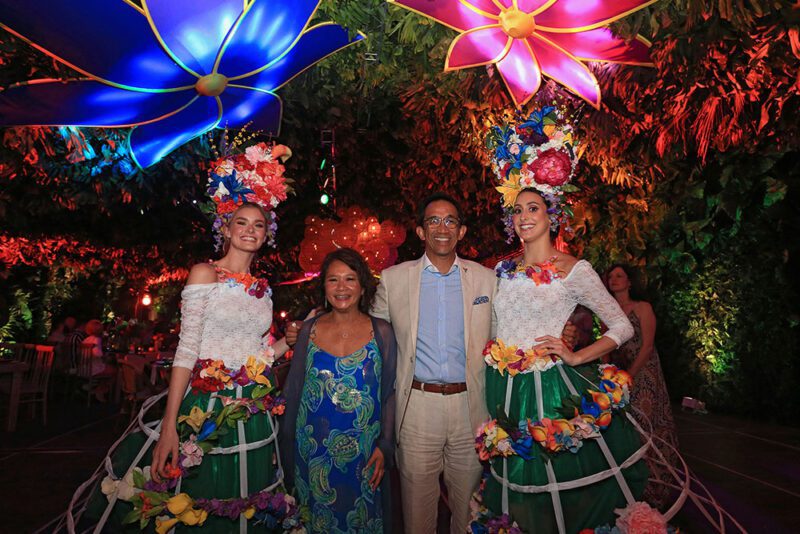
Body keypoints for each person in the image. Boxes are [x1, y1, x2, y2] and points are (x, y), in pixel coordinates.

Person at [69, 201, 298, 532]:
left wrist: (287, 343)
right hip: (205, 404)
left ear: (267, 234)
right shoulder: (205, 273)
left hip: (251, 409)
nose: (250, 229)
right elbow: (187, 349)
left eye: (258, 224)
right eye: (241, 222)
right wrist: (169, 424)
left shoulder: (263, 291)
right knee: (193, 495)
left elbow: (257, 358)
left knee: (246, 496)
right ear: (226, 229)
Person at [280, 248, 397, 533]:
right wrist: (284, 451)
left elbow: (390, 393)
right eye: (333, 280)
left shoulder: (381, 331)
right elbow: (293, 393)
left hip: (364, 455)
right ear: (323, 286)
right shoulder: (308, 330)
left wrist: (385, 445)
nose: (341, 287)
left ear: (362, 285)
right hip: (312, 453)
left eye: (350, 279)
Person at [605, 263, 679, 507]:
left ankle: (655, 488)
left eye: (619, 276)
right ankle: (631, 488)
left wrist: (630, 375)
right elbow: (606, 346)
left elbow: (647, 346)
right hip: (619, 376)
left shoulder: (642, 307)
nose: (614, 280)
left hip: (643, 372)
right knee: (625, 429)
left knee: (645, 427)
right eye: (611, 276)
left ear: (629, 282)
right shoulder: (609, 312)